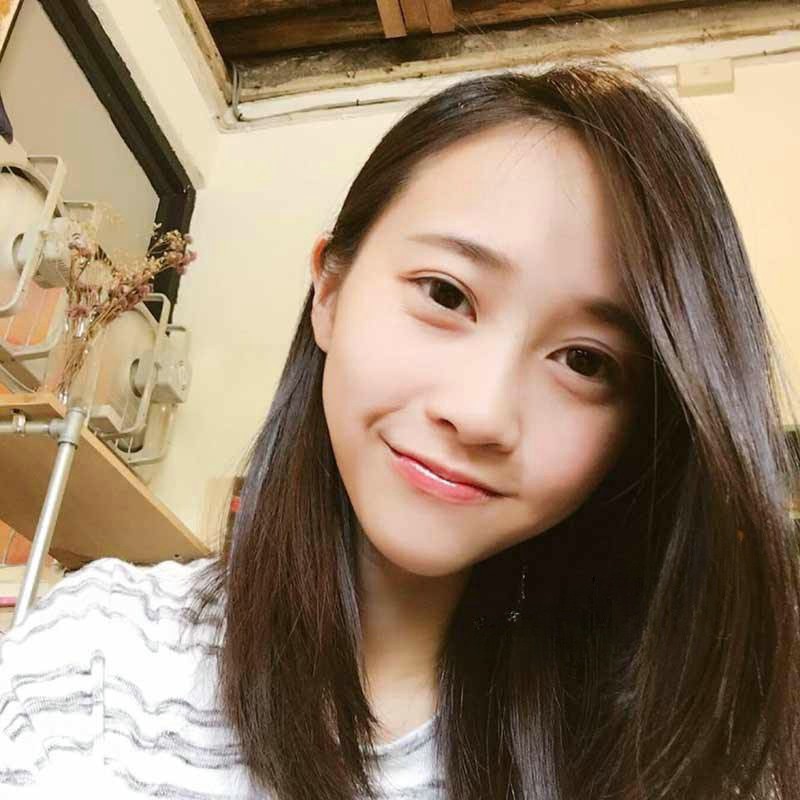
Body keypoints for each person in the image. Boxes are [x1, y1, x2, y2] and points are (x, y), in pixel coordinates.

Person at [1, 58, 798, 799]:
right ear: (330, 292)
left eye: (585, 362)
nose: (481, 413)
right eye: (446, 294)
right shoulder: (99, 661)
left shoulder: (682, 747)